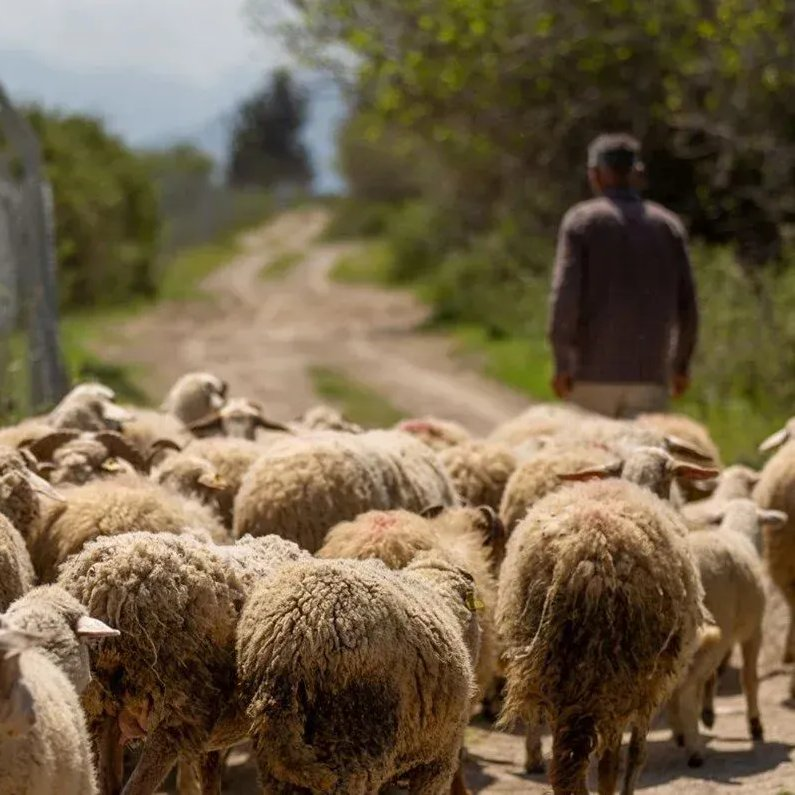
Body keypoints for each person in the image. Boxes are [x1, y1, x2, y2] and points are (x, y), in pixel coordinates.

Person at [548, 133, 698, 418]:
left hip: (590, 376)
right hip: (650, 375)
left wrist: (562, 363)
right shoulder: (667, 226)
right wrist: (680, 365)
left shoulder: (582, 222)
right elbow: (688, 307)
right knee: (643, 460)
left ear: (595, 174)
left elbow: (565, 297)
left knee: (590, 458)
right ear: (637, 173)